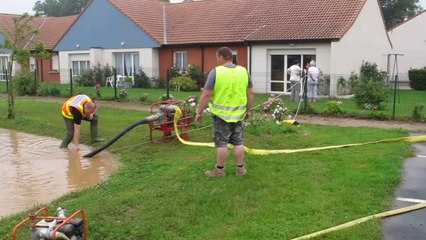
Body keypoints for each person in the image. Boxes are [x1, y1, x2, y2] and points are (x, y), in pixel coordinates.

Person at [195, 47, 254, 177]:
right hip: (239, 115)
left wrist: (199, 111)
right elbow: (250, 93)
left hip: (221, 117)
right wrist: (248, 110)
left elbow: (206, 94)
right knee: (238, 142)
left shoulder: (216, 72)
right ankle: (241, 169)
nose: (217, 60)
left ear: (221, 57)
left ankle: (219, 170)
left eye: (217, 57)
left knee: (222, 144)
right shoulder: (244, 71)